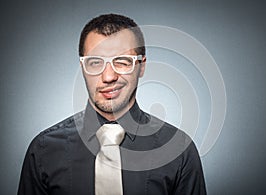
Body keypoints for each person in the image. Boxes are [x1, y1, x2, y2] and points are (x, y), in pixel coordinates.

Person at [18, 13, 206, 195]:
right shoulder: (43, 150)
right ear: (83, 68)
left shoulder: (179, 150)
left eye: (123, 62)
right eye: (95, 63)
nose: (108, 77)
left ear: (141, 66)